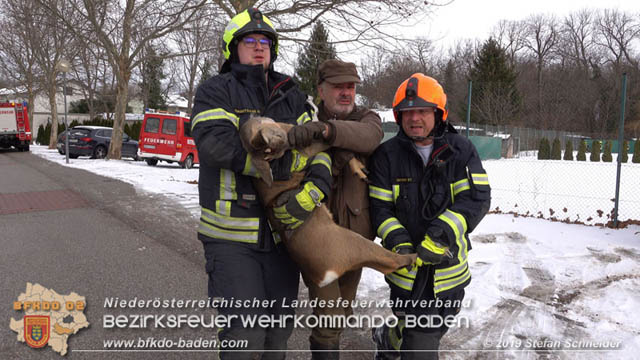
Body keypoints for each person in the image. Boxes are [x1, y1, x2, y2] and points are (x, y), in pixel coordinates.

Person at [190, 8, 332, 360]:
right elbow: (212, 143)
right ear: (232, 49)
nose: (259, 48)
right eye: (250, 41)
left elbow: (318, 149)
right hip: (231, 238)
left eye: (265, 41)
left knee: (278, 335)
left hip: (283, 236)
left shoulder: (292, 94)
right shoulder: (215, 91)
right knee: (245, 335)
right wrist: (269, 161)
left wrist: (317, 182)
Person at [368, 73, 491, 359]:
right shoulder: (386, 156)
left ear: (438, 113)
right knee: (422, 345)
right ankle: (395, 340)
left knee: (425, 332)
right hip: (407, 272)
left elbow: (476, 199)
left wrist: (440, 235)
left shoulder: (461, 151)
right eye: (407, 112)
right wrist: (399, 241)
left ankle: (389, 337)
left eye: (422, 111)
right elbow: (380, 209)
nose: (414, 118)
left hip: (448, 274)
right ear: (398, 117)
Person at [287, 59, 383, 359]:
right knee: (329, 316)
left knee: (340, 313)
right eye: (338, 87)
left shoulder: (368, 118)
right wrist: (324, 138)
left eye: (350, 87)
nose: (346, 93)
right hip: (317, 239)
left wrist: (325, 134)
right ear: (321, 90)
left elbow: (368, 138)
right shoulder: (302, 118)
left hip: (354, 238)